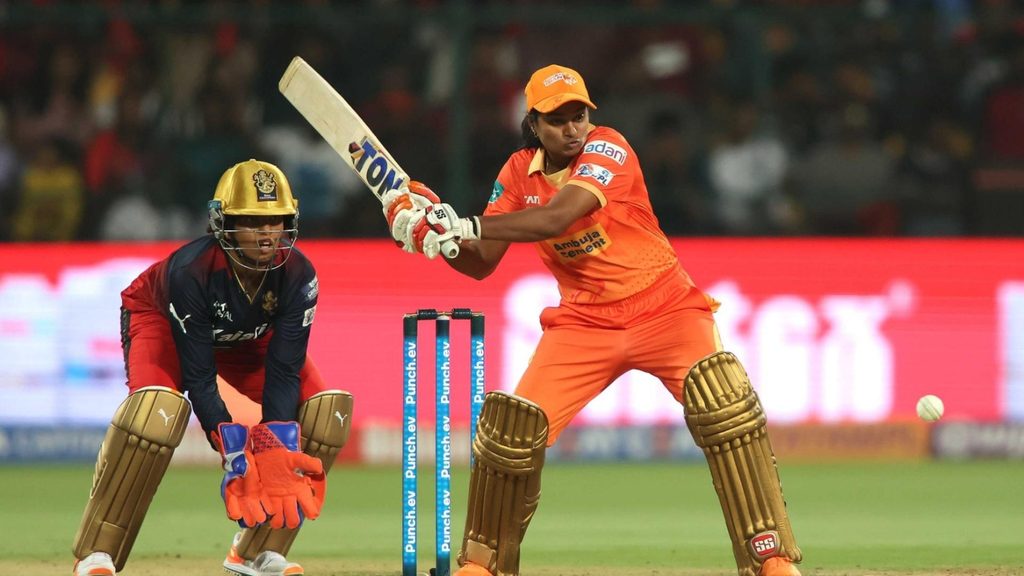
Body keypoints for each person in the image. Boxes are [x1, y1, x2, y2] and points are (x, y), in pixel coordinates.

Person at [384, 65, 803, 576]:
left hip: (666, 308)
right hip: (584, 323)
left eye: (578, 115)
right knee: (511, 432)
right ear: (533, 124)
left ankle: (770, 557)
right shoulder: (517, 172)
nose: (572, 129)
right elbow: (480, 263)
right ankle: (483, 565)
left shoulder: (609, 147)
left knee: (726, 409)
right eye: (557, 119)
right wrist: (435, 237)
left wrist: (464, 223)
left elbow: (558, 217)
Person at [71, 159, 354, 576]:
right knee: (153, 416)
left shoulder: (299, 274)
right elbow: (199, 376)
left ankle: (258, 550)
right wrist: (234, 451)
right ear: (226, 224)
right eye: (252, 221)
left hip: (249, 336)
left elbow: (284, 369)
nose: (267, 234)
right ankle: (97, 551)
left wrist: (275, 445)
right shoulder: (192, 272)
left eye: (275, 221)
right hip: (162, 321)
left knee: (325, 415)